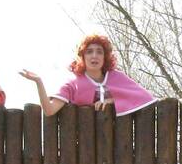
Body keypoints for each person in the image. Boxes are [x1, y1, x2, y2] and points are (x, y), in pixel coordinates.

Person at [19, 32, 155, 117]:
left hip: (118, 143)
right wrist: (39, 82)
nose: (94, 56)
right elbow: (49, 110)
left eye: (99, 52)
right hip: (83, 147)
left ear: (105, 57)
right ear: (82, 57)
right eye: (89, 52)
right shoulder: (73, 84)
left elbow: (145, 98)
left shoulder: (118, 78)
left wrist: (113, 101)